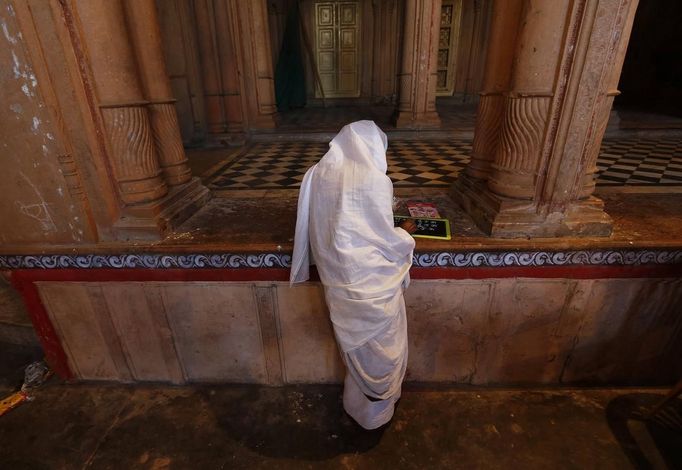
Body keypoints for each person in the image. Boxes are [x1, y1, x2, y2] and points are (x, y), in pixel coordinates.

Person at [290, 120, 416, 430]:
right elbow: (385, 239)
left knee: (357, 353)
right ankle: (376, 416)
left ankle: (357, 409)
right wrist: (405, 233)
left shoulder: (317, 174)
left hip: (339, 283)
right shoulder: (376, 181)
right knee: (382, 353)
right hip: (375, 283)